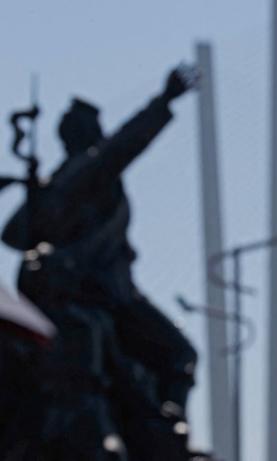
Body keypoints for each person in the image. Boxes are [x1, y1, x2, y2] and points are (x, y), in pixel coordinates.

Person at [1, 64, 203, 460]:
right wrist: (162, 102)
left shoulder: (72, 180)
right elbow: (12, 235)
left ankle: (160, 425)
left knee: (170, 357)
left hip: (112, 294)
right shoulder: (84, 173)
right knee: (178, 354)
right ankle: (158, 425)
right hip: (101, 295)